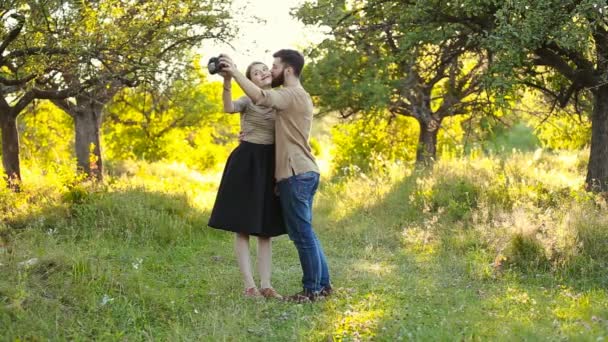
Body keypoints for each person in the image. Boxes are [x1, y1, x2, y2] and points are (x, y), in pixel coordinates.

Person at [218, 50, 332, 303]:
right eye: (259, 70)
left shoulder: (285, 97)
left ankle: (311, 289)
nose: (269, 71)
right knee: (302, 232)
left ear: (287, 70)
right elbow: (238, 105)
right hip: (269, 166)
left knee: (298, 234)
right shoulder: (283, 98)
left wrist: (234, 70)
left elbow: (261, 97)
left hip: (290, 170)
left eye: (272, 66)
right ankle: (318, 286)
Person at [208, 61, 285, 299]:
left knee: (266, 230)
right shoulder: (247, 100)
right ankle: (249, 287)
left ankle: (266, 284)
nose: (262, 73)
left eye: (265, 69)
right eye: (256, 72)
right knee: (242, 227)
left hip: (270, 163)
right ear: (249, 80)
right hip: (247, 161)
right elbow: (228, 107)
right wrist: (228, 79)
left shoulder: (280, 99)